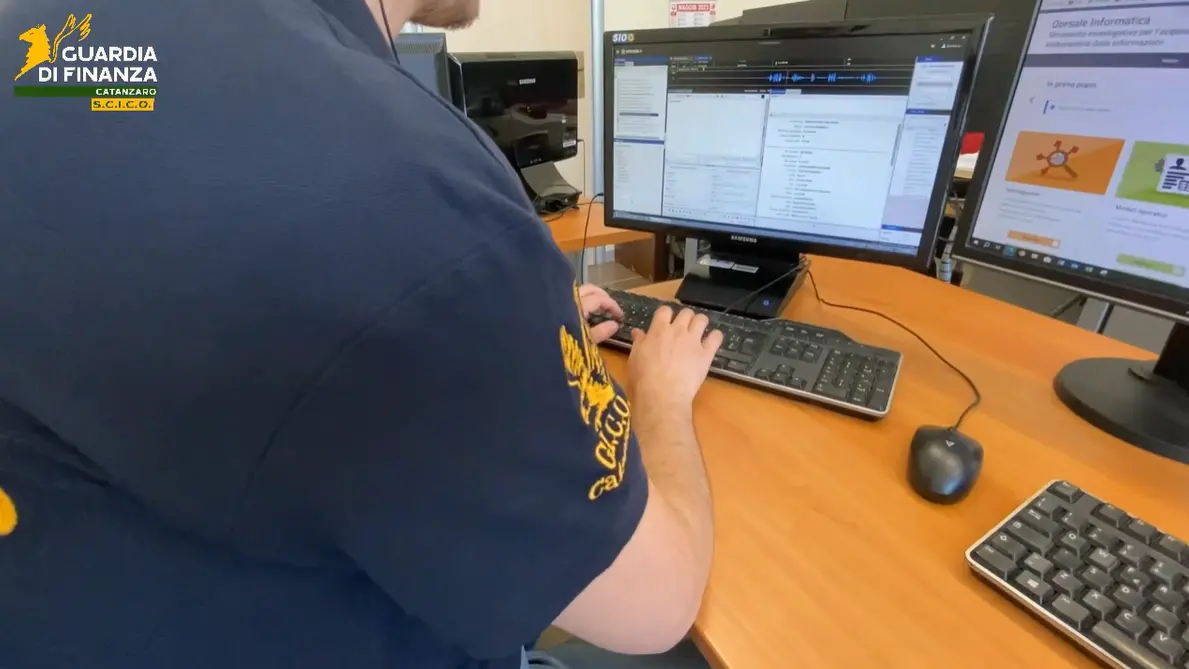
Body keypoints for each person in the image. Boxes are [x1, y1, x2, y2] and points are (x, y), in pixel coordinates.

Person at [0, 0, 722, 668]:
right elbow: (656, 605)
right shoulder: (404, 190)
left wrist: (522, 330)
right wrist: (659, 395)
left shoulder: (40, 44)